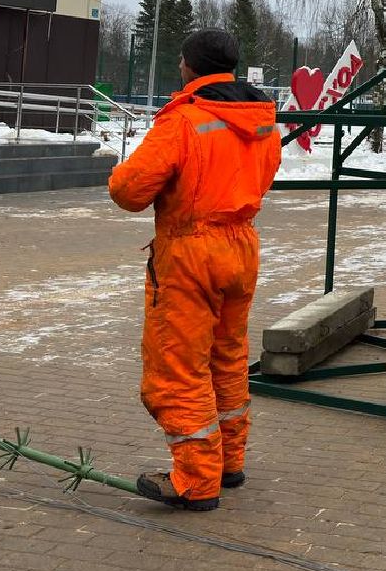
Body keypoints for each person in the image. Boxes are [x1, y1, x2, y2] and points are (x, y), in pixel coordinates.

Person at [109, 29, 281, 510]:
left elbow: (128, 190)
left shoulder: (183, 120)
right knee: (227, 358)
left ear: (188, 67)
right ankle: (228, 462)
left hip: (190, 254)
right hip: (242, 246)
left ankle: (195, 481)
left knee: (179, 369)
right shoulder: (262, 120)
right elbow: (264, 176)